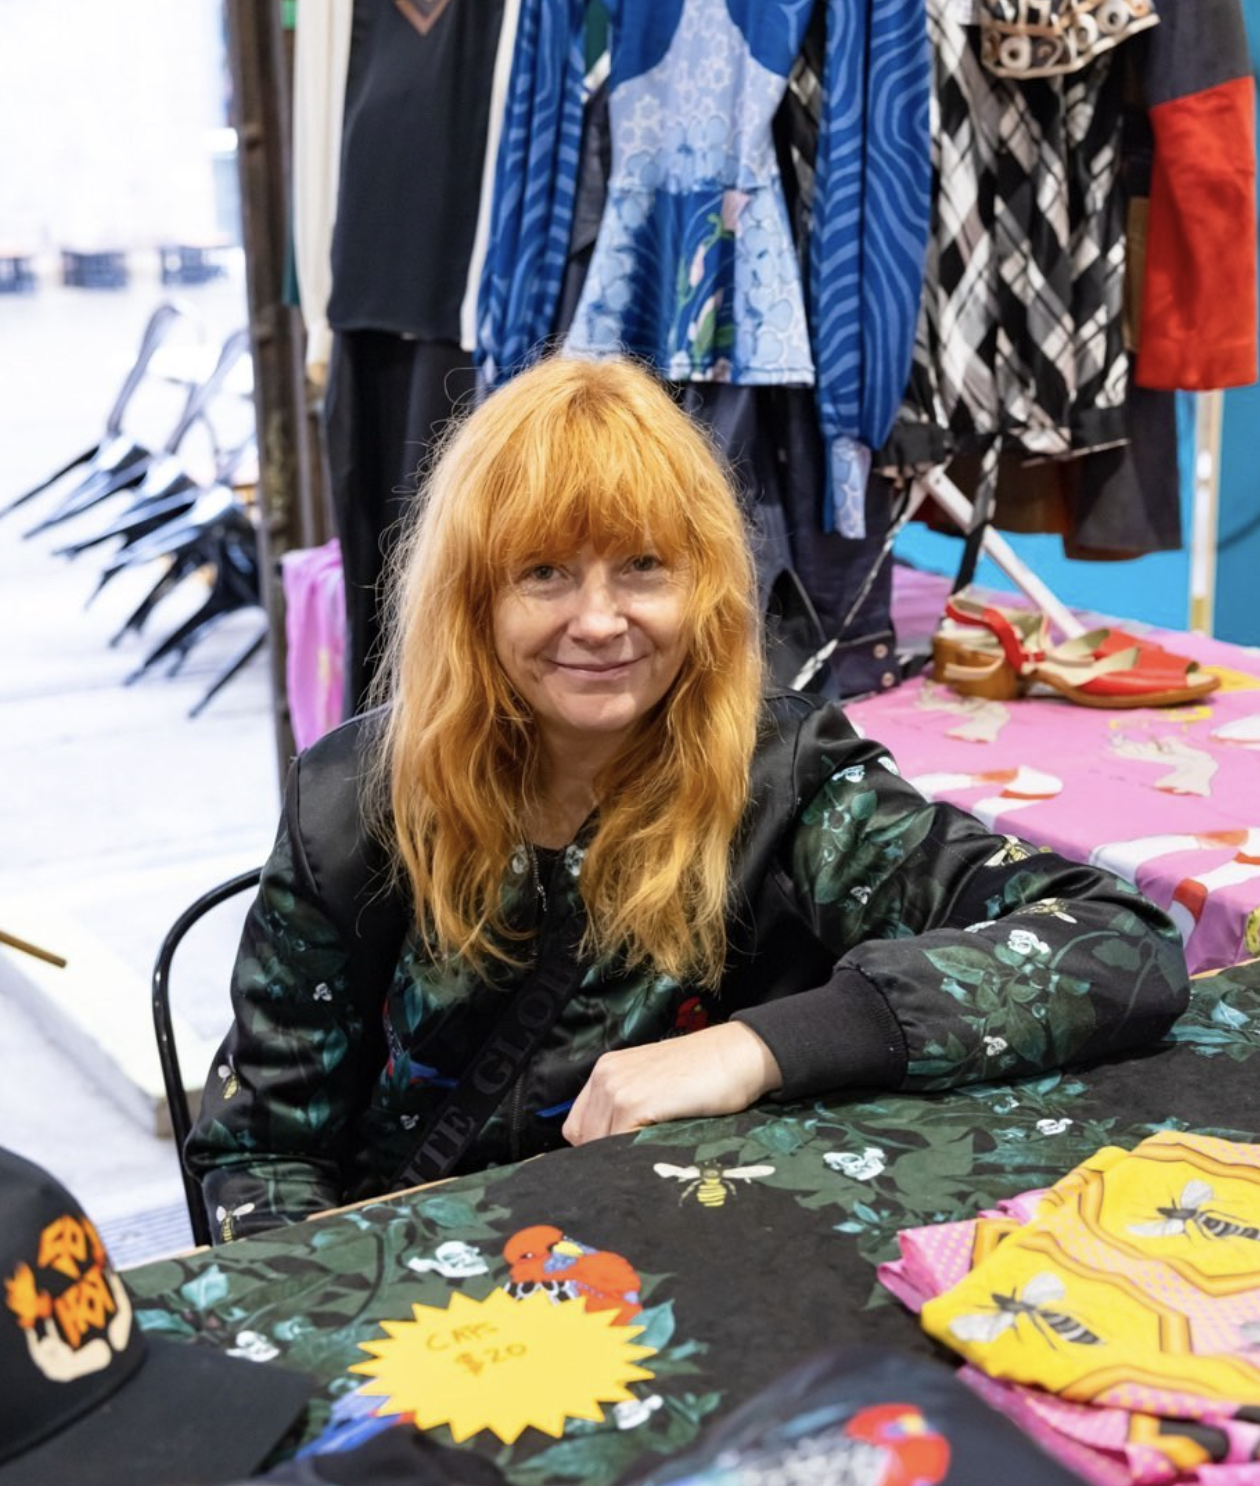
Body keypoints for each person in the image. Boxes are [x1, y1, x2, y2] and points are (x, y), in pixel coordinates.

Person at [186, 355, 1190, 1242]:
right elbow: (257, 1152)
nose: (599, 619)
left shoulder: (783, 777)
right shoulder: (354, 800)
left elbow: (1121, 942)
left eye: (643, 567)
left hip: (693, 1258)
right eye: (543, 573)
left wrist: (759, 1045)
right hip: (418, 1289)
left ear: (703, 583)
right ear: (473, 598)